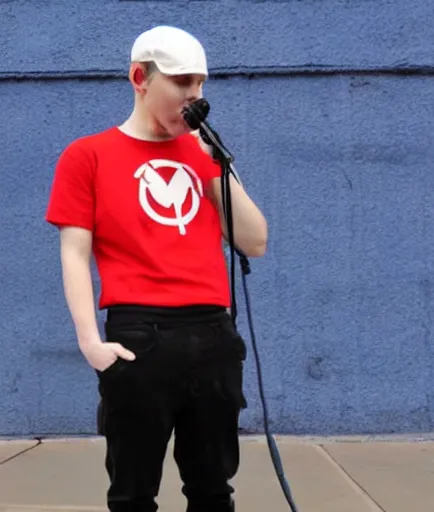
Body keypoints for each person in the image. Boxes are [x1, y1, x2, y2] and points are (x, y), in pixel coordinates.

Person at [45, 25, 268, 512]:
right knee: (132, 492)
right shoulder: (88, 156)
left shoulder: (202, 153)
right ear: (140, 77)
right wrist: (90, 343)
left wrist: (220, 167)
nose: (194, 96)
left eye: (201, 84)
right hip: (138, 336)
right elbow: (74, 253)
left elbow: (254, 240)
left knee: (213, 489)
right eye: (182, 82)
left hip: (211, 333)